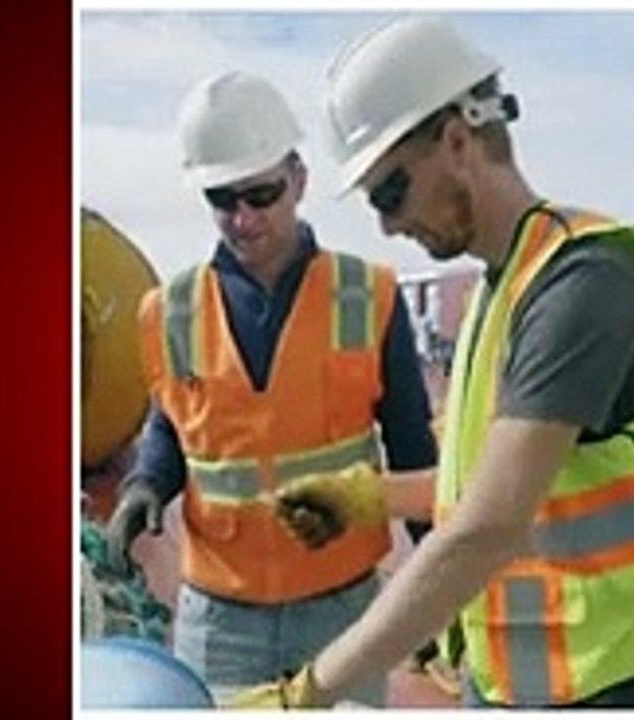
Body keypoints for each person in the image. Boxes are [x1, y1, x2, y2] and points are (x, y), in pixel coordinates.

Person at [231, 15, 634, 709]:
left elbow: (488, 525)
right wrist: (367, 496)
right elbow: (471, 481)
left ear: (457, 140)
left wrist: (309, 690)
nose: (386, 224)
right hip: (525, 680)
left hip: (614, 680)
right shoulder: (503, 289)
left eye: (391, 191)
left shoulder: (588, 281)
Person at [102, 70, 438, 707]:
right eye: (222, 198)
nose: (243, 218)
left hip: (343, 610)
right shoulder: (168, 311)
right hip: (221, 620)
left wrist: (436, 586)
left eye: (261, 194)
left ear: (300, 181)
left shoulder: (370, 296)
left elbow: (413, 450)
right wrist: (146, 483)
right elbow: (173, 427)